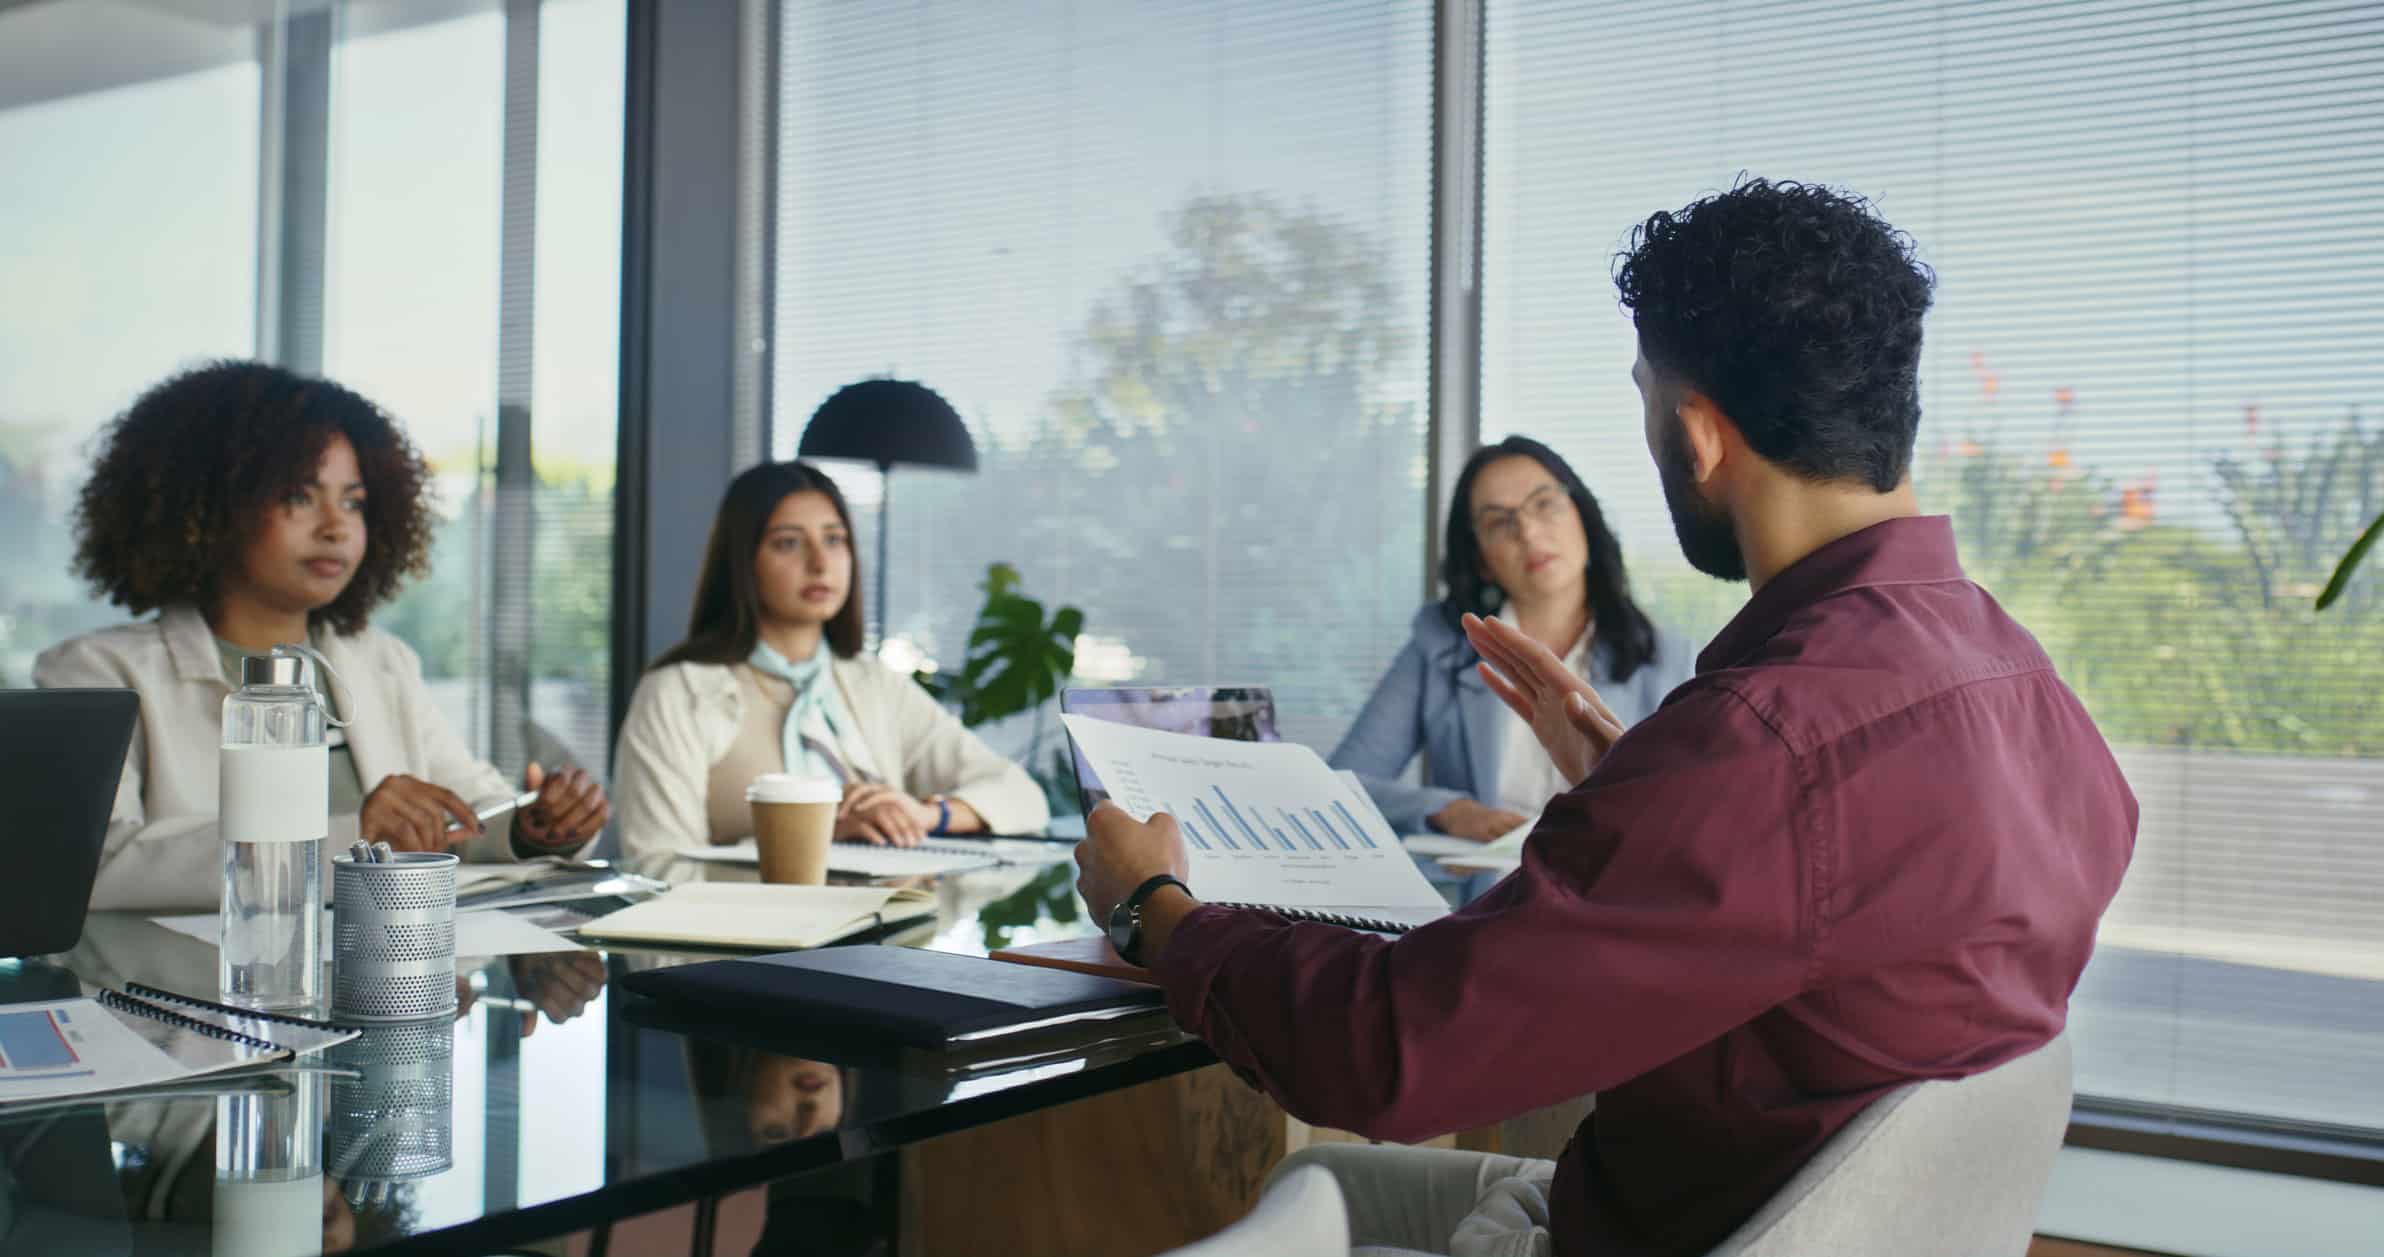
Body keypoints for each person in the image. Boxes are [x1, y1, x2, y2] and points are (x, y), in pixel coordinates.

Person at [1072, 179, 2137, 1257]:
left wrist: (1153, 910)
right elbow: (1839, 917)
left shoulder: (1763, 739)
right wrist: (1637, 787)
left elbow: (1386, 1054)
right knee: (1324, 1181)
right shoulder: (2026, 690)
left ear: (1695, 433)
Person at [34, 362, 608, 913]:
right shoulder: (96, 673)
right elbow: (95, 866)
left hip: (381, 978)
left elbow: (466, 807)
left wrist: (533, 829)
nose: (335, 527)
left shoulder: (381, 661)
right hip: (198, 994)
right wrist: (354, 837)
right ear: (209, 508)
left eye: (353, 502)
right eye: (300, 497)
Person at [612, 461, 1049, 874]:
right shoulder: (680, 692)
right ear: (742, 562)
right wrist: (811, 839)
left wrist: (923, 814)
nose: (820, 563)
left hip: (880, 939)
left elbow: (1022, 796)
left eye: (834, 539)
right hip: (747, 946)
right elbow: (656, 867)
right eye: (788, 543)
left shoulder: (872, 684)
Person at [1332, 438, 1694, 839]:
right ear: (1481, 560)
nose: (1527, 531)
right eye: (1499, 522)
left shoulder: (1670, 661)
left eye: (1543, 504)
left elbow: (1691, 815)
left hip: (1612, 895)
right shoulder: (1440, 645)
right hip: (1490, 894)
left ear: (1582, 518)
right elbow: (1339, 785)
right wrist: (1448, 811)